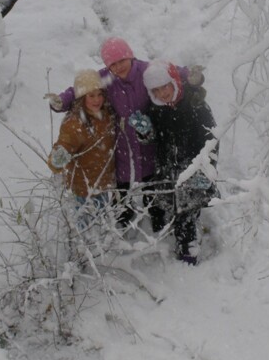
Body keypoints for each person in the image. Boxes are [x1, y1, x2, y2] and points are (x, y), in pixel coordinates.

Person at [44, 37, 204, 227]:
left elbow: (170, 72)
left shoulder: (146, 70)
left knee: (151, 181)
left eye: (122, 61)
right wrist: (62, 101)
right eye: (113, 64)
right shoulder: (106, 78)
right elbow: (83, 88)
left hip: (147, 136)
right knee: (123, 184)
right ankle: (123, 218)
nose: (118, 67)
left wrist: (191, 76)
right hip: (122, 141)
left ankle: (156, 216)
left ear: (131, 56)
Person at [142, 59, 218, 265]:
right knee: (167, 202)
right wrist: (146, 132)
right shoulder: (156, 109)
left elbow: (211, 138)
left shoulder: (195, 105)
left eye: (165, 87)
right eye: (155, 90)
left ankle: (188, 250)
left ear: (174, 82)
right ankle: (163, 235)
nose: (162, 94)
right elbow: (153, 137)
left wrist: (206, 167)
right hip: (167, 166)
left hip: (192, 166)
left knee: (188, 209)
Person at [47, 69, 115, 228]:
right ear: (81, 98)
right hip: (82, 188)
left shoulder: (107, 115)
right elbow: (63, 145)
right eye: (91, 96)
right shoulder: (74, 123)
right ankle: (81, 250)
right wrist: (56, 160)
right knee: (84, 226)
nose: (97, 100)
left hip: (103, 183)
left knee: (101, 222)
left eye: (99, 94)